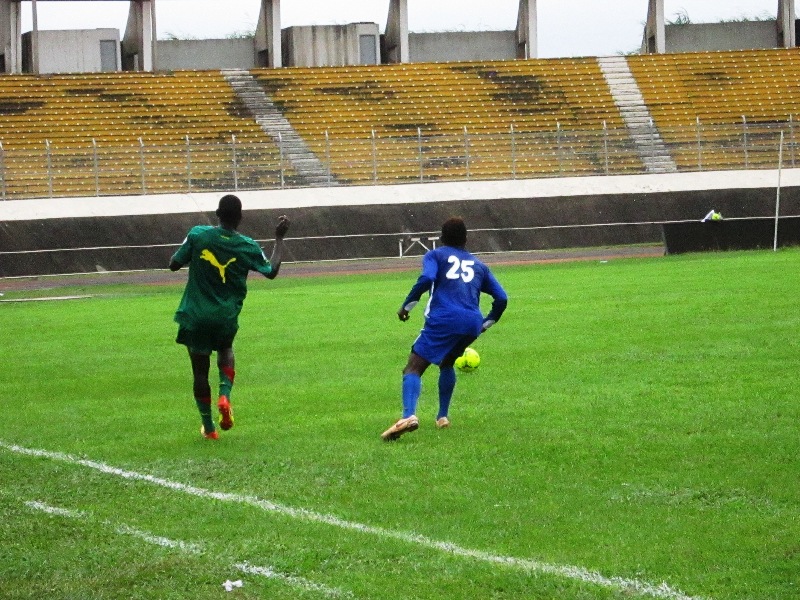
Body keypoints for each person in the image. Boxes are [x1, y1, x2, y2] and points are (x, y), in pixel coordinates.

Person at [169, 194, 290, 440]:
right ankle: (224, 395)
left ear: (217, 214)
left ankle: (209, 428)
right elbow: (271, 271)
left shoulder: (198, 235)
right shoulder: (247, 245)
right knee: (225, 348)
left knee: (200, 372)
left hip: (196, 314)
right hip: (225, 315)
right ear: (240, 218)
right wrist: (279, 238)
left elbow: (173, 264)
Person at [381, 216, 508, 441]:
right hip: (471, 323)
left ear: (442, 238)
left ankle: (408, 416)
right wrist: (485, 324)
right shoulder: (479, 265)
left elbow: (426, 278)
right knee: (447, 362)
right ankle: (442, 417)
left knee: (413, 368)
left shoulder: (435, 255)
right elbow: (502, 298)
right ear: (466, 239)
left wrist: (406, 306)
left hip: (444, 319)